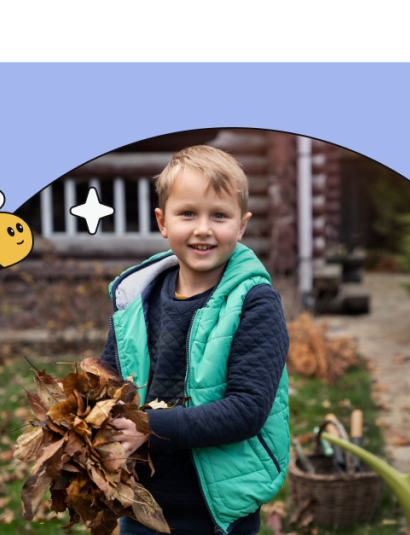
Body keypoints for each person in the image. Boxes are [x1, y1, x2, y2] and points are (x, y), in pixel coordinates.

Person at [100, 145, 290, 535]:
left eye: (219, 215)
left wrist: (148, 428)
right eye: (188, 213)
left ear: (241, 226)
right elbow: (109, 381)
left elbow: (246, 410)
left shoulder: (254, 303)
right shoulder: (138, 300)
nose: (203, 229)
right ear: (162, 221)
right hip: (141, 504)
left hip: (217, 511)